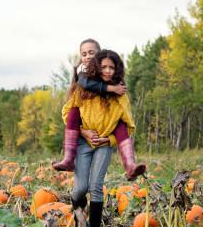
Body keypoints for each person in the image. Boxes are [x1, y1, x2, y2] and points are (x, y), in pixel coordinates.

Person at [62, 49, 136, 227]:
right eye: (104, 67)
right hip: (83, 143)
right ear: (97, 67)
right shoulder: (83, 90)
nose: (108, 71)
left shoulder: (120, 94)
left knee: (96, 186)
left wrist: (109, 140)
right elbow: (67, 114)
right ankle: (80, 222)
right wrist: (83, 132)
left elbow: (127, 125)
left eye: (112, 67)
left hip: (104, 144)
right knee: (79, 188)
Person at [53, 38, 146, 181]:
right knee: (73, 112)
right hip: (85, 134)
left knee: (121, 124)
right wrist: (83, 131)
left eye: (91, 53)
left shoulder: (110, 72)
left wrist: (110, 138)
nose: (88, 56)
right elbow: (84, 83)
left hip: (107, 131)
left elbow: (128, 121)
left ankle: (130, 166)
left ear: (100, 55)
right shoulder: (82, 73)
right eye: (84, 54)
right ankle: (69, 158)